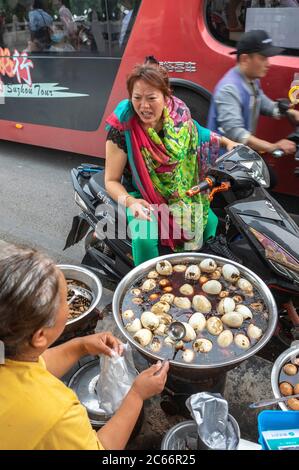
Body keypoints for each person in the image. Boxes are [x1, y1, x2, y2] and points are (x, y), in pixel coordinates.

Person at [0, 243, 168, 450]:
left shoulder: (8, 351)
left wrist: (79, 346)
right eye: (64, 300)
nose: (70, 304)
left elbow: (30, 368)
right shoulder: (55, 411)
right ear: (40, 335)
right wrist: (136, 395)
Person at [105, 62, 237, 266]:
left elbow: (200, 133)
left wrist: (228, 143)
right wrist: (131, 203)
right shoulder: (123, 129)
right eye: (137, 98)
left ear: (166, 97)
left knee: (209, 222)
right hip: (141, 194)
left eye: (151, 98)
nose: (144, 106)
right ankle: (145, 285)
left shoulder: (179, 117)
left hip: (179, 190)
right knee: (145, 239)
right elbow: (111, 180)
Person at [207, 29, 299, 157]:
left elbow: (261, 102)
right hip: (224, 162)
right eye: (263, 58)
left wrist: (288, 112)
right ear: (245, 59)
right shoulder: (229, 89)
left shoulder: (251, 80)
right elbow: (236, 133)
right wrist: (274, 147)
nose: (268, 64)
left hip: (241, 155)